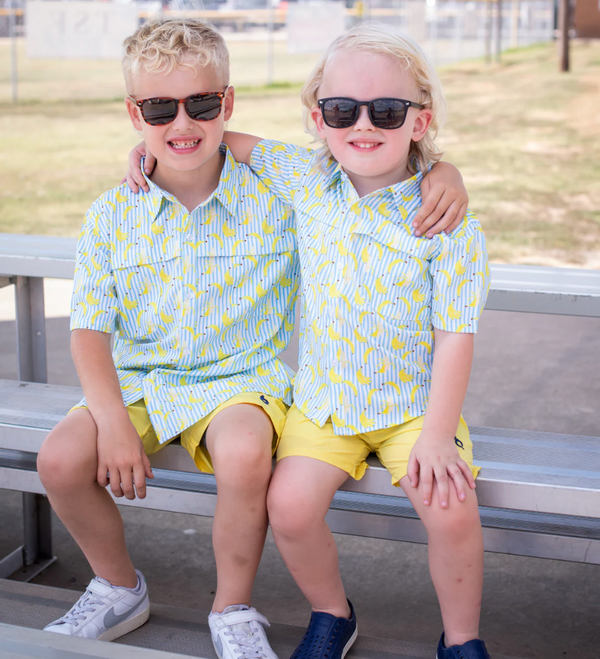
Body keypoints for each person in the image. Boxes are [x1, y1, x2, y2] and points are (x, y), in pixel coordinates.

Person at [123, 22, 486, 659]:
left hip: (414, 411)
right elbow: (217, 139)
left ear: (420, 122)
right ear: (318, 118)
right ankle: (332, 612)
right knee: (288, 508)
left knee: (451, 508)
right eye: (342, 110)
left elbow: (455, 335)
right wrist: (151, 153)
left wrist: (436, 433)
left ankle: (460, 640)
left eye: (387, 110)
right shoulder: (306, 182)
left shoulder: (446, 223)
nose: (363, 125)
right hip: (325, 406)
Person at [36, 18, 297, 659]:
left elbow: (357, 169)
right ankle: (119, 587)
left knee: (242, 455)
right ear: (134, 113)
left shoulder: (282, 195)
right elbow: (90, 333)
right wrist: (113, 424)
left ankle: (232, 608)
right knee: (60, 460)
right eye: (160, 108)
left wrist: (446, 174)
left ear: (227, 103)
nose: (183, 124)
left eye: (202, 104)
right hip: (142, 380)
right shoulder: (112, 212)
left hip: (242, 378)